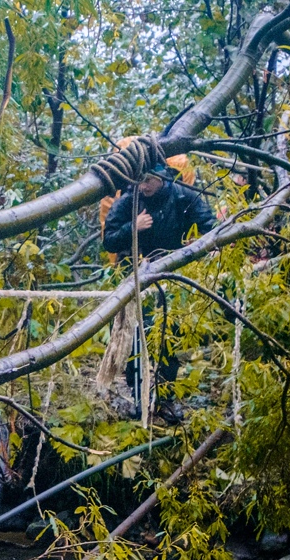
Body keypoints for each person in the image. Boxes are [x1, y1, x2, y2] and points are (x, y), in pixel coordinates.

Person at [102, 163, 217, 423]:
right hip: (135, 278)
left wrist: (207, 245)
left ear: (162, 178)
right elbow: (108, 240)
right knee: (134, 337)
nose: (143, 187)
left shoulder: (183, 196)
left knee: (167, 336)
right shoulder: (128, 202)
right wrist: (133, 226)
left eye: (148, 181)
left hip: (175, 277)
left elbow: (210, 224)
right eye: (139, 181)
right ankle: (139, 398)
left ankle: (164, 398)